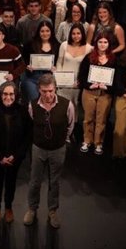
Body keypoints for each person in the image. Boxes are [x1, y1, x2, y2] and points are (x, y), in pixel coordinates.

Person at [23, 74, 74, 228]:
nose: (48, 95)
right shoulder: (32, 105)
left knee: (55, 182)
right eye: (44, 91)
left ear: (55, 89)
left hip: (58, 149)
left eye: (51, 90)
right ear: (39, 90)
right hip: (38, 149)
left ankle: (52, 211)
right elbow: (31, 125)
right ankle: (32, 209)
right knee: (34, 182)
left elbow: (70, 125)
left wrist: (62, 140)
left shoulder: (67, 105)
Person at [0, 82, 31, 224]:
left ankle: (9, 207)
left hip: (14, 157)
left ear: (16, 95)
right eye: (5, 94)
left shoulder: (23, 111)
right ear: (1, 95)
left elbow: (27, 136)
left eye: (11, 94)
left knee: (11, 183)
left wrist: (15, 156)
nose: (8, 97)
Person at [78, 32, 116, 155]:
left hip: (105, 94)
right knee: (88, 118)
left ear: (109, 44)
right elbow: (82, 76)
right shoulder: (88, 57)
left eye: (105, 42)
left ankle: (98, 143)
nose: (102, 44)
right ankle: (86, 140)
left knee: (101, 120)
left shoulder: (113, 59)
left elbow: (116, 79)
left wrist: (107, 86)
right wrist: (90, 85)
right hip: (89, 92)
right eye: (100, 42)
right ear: (96, 43)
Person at [55, 23, 93, 116]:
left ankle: (73, 128)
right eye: (73, 33)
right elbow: (59, 63)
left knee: (75, 110)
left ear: (82, 34)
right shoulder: (64, 45)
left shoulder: (89, 48)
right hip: (63, 83)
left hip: (78, 84)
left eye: (78, 33)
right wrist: (59, 79)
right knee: (62, 109)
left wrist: (81, 81)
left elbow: (88, 69)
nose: (76, 36)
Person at [21, 20, 58, 103]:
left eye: (47, 31)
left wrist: (56, 68)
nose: (45, 34)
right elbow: (23, 60)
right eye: (42, 31)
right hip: (32, 77)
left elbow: (59, 62)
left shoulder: (57, 45)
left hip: (49, 78)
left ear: (51, 32)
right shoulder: (30, 44)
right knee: (34, 101)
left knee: (47, 99)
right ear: (38, 32)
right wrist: (27, 66)